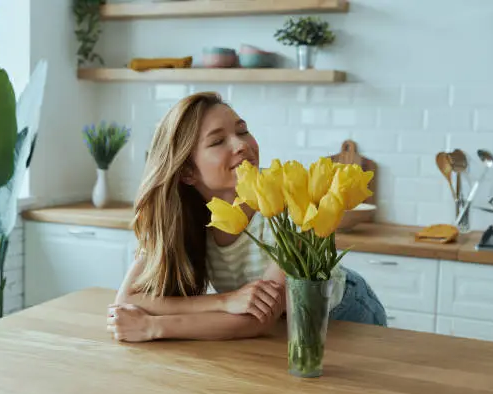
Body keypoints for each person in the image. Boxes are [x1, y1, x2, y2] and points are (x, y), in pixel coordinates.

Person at [106, 92, 387, 342]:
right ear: (187, 172)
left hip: (344, 316)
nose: (241, 144)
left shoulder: (292, 203)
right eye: (217, 141)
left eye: (242, 131)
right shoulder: (179, 218)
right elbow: (128, 299)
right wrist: (226, 301)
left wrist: (153, 327)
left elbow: (256, 319)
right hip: (279, 331)